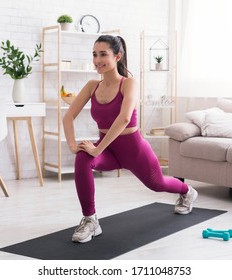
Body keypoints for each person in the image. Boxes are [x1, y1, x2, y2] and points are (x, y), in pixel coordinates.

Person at [63, 35, 198, 243]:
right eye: (94, 54)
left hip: (133, 150)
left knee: (157, 184)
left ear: (117, 56)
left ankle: (187, 191)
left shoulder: (129, 84)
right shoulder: (92, 86)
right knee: (82, 157)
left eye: (103, 54)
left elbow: (124, 118)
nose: (97, 60)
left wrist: (97, 149)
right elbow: (68, 116)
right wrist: (73, 146)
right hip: (108, 150)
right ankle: (90, 220)